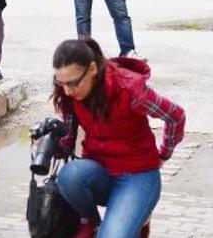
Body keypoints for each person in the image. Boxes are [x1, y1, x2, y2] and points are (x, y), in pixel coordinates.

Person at [50, 38, 185, 238]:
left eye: (73, 83)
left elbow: (176, 116)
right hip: (99, 173)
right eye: (61, 83)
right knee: (69, 176)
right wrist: (51, 142)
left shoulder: (128, 88)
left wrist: (164, 155)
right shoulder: (69, 94)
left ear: (93, 69)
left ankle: (135, 219)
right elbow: (68, 139)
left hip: (137, 175)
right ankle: (92, 223)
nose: (67, 90)